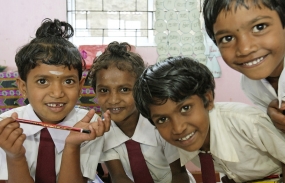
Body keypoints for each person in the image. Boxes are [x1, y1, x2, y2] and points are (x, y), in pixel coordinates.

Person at [133, 56, 285, 183]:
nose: (178, 128)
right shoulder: (185, 140)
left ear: (208, 98)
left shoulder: (246, 122)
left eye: (185, 108)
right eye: (162, 119)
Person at [0, 18, 111, 183]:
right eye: (43, 81)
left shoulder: (88, 125)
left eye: (68, 81)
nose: (58, 93)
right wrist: (15, 156)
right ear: (23, 87)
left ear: (80, 86)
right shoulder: (5, 128)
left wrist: (72, 146)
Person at [87, 41, 196, 183]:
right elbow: (118, 177)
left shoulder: (161, 123)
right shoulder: (103, 130)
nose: (113, 100)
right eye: (104, 90)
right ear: (95, 92)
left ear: (140, 90)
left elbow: (179, 174)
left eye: (124, 89)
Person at [202, 0, 285, 132]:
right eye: (227, 38)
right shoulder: (249, 84)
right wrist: (272, 116)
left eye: (259, 27)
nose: (245, 49)